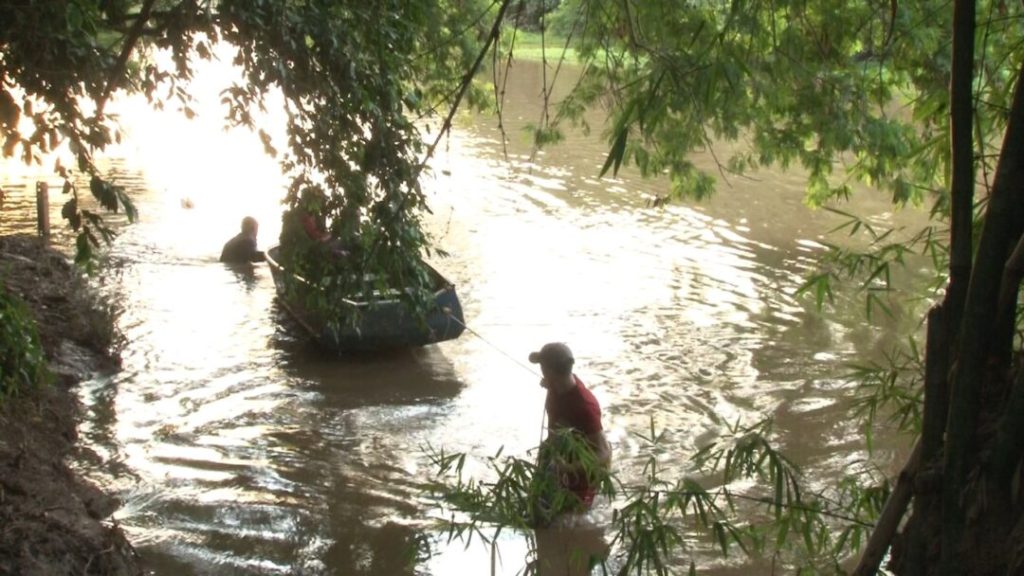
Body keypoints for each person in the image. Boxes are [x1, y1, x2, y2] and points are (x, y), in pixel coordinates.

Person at [530, 342, 612, 511]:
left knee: (567, 520)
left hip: (580, 474)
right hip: (558, 459)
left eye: (542, 367)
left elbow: (603, 453)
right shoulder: (557, 383)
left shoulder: (584, 406)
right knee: (537, 510)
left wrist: (568, 468)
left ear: (549, 372)